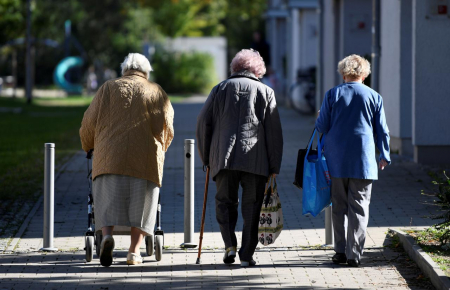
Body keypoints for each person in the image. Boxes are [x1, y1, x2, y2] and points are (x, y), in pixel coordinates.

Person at [79, 53, 174, 267]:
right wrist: (162, 148)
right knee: (143, 206)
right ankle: (134, 252)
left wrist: (87, 145)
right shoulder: (156, 91)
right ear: (146, 71)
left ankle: (107, 236)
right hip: (145, 160)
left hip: (108, 158)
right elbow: (166, 127)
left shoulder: (107, 89)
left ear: (124, 70)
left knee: (106, 201)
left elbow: (88, 123)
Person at [196, 49, 283, 267]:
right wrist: (274, 165)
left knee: (224, 202)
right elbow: (274, 133)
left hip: (223, 158)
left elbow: (203, 124)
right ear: (257, 70)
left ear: (235, 67)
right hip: (256, 160)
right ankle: (246, 254)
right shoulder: (266, 91)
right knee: (252, 206)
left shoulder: (219, 89)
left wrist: (206, 157)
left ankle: (229, 246)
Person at [315, 54, 390, 267]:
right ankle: (354, 254)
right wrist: (384, 155)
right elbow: (382, 130)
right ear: (364, 74)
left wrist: (320, 116)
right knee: (359, 207)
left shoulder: (332, 95)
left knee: (338, 205)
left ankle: (339, 251)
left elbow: (321, 127)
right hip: (363, 161)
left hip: (335, 159)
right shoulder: (374, 97)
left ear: (343, 72)